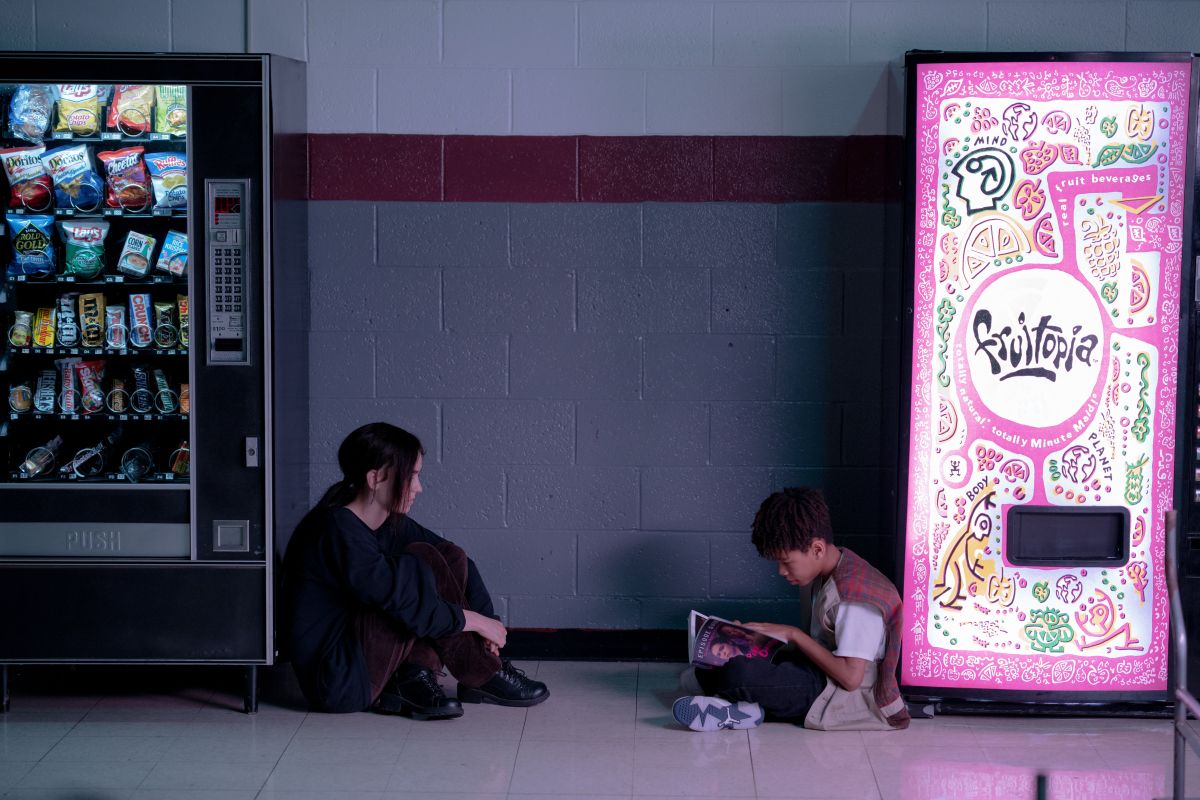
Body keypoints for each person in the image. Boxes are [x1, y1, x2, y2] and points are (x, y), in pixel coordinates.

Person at [282, 422, 549, 719]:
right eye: (412, 476)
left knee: (446, 555)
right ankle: (482, 674)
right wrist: (473, 621)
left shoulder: (384, 520)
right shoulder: (336, 529)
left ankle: (416, 677)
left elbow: (458, 561)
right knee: (417, 566)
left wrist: (488, 625)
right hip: (340, 681)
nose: (418, 487)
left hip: (363, 658)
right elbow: (405, 601)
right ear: (376, 478)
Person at [673, 487, 909, 732]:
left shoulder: (854, 599)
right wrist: (746, 637)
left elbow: (851, 679)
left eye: (786, 562)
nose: (781, 571)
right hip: (817, 671)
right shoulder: (822, 572)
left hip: (838, 695)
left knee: (738, 673)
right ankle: (744, 709)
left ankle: (734, 703)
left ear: (817, 549)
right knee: (732, 659)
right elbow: (820, 645)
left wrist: (794, 635)